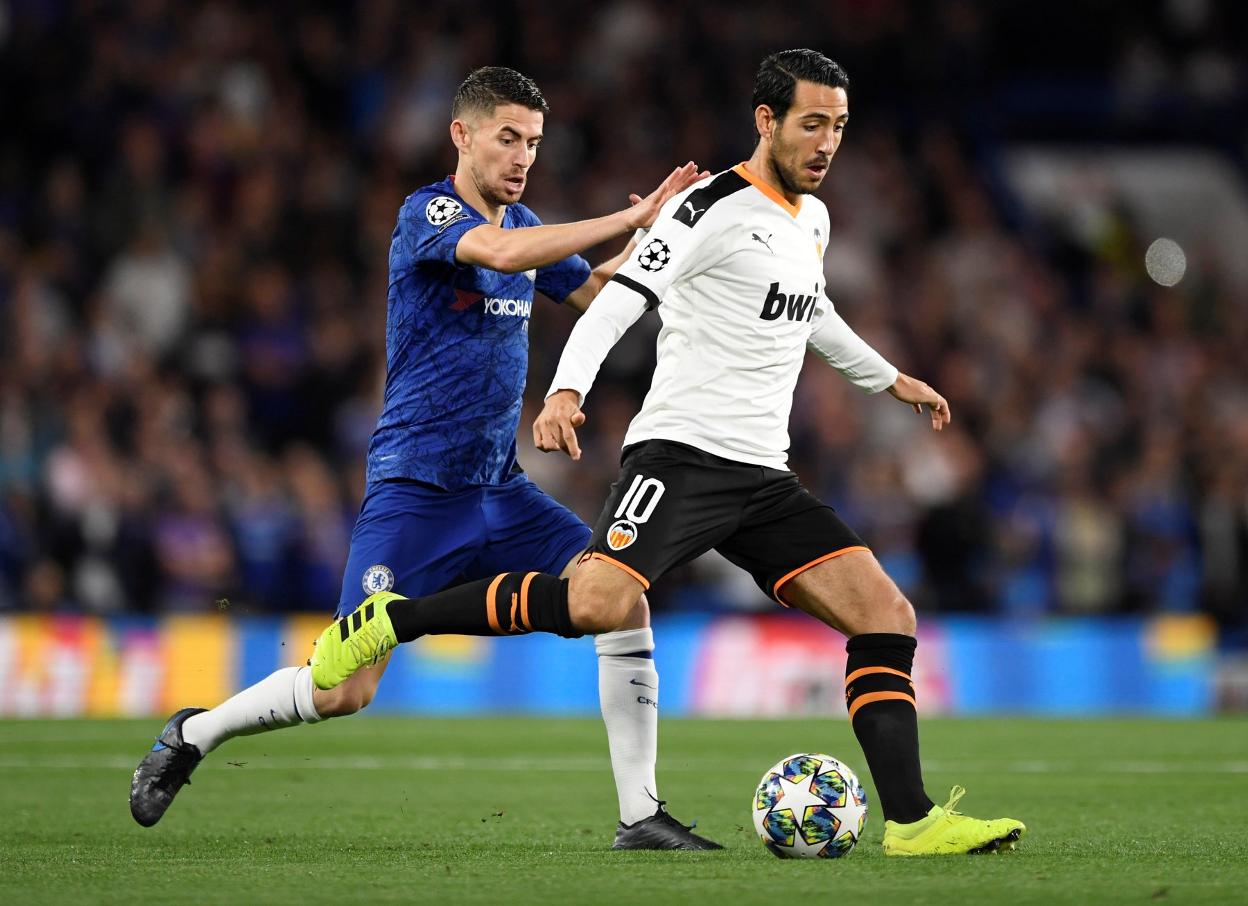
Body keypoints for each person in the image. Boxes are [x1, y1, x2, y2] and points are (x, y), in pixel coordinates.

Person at [311, 49, 1027, 856]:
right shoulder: (708, 206)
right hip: (680, 458)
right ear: (768, 121)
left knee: (886, 616)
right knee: (596, 605)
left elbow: (812, 311)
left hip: (763, 475)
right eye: (812, 124)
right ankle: (392, 622)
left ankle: (912, 822)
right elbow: (617, 302)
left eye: (840, 127)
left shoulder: (814, 220)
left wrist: (892, 379)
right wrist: (566, 391)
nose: (828, 143)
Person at [130, 66, 720, 851]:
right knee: (344, 690)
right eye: (508, 138)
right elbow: (502, 256)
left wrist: (669, 245)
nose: (521, 157)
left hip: (499, 490)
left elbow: (599, 294)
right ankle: (193, 734)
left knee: (618, 597)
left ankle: (641, 815)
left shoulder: (528, 224)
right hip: (415, 490)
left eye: (534, 144)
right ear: (462, 134)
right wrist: (625, 217)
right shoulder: (428, 214)